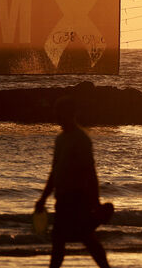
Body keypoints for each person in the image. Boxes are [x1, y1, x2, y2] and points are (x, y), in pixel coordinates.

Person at [35, 96, 110, 268]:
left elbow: (90, 172)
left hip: (77, 199)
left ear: (71, 114)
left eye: (60, 113)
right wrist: (43, 198)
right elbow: (54, 172)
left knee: (80, 237)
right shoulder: (60, 139)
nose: (57, 116)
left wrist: (95, 201)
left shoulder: (81, 139)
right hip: (62, 200)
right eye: (56, 112)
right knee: (72, 238)